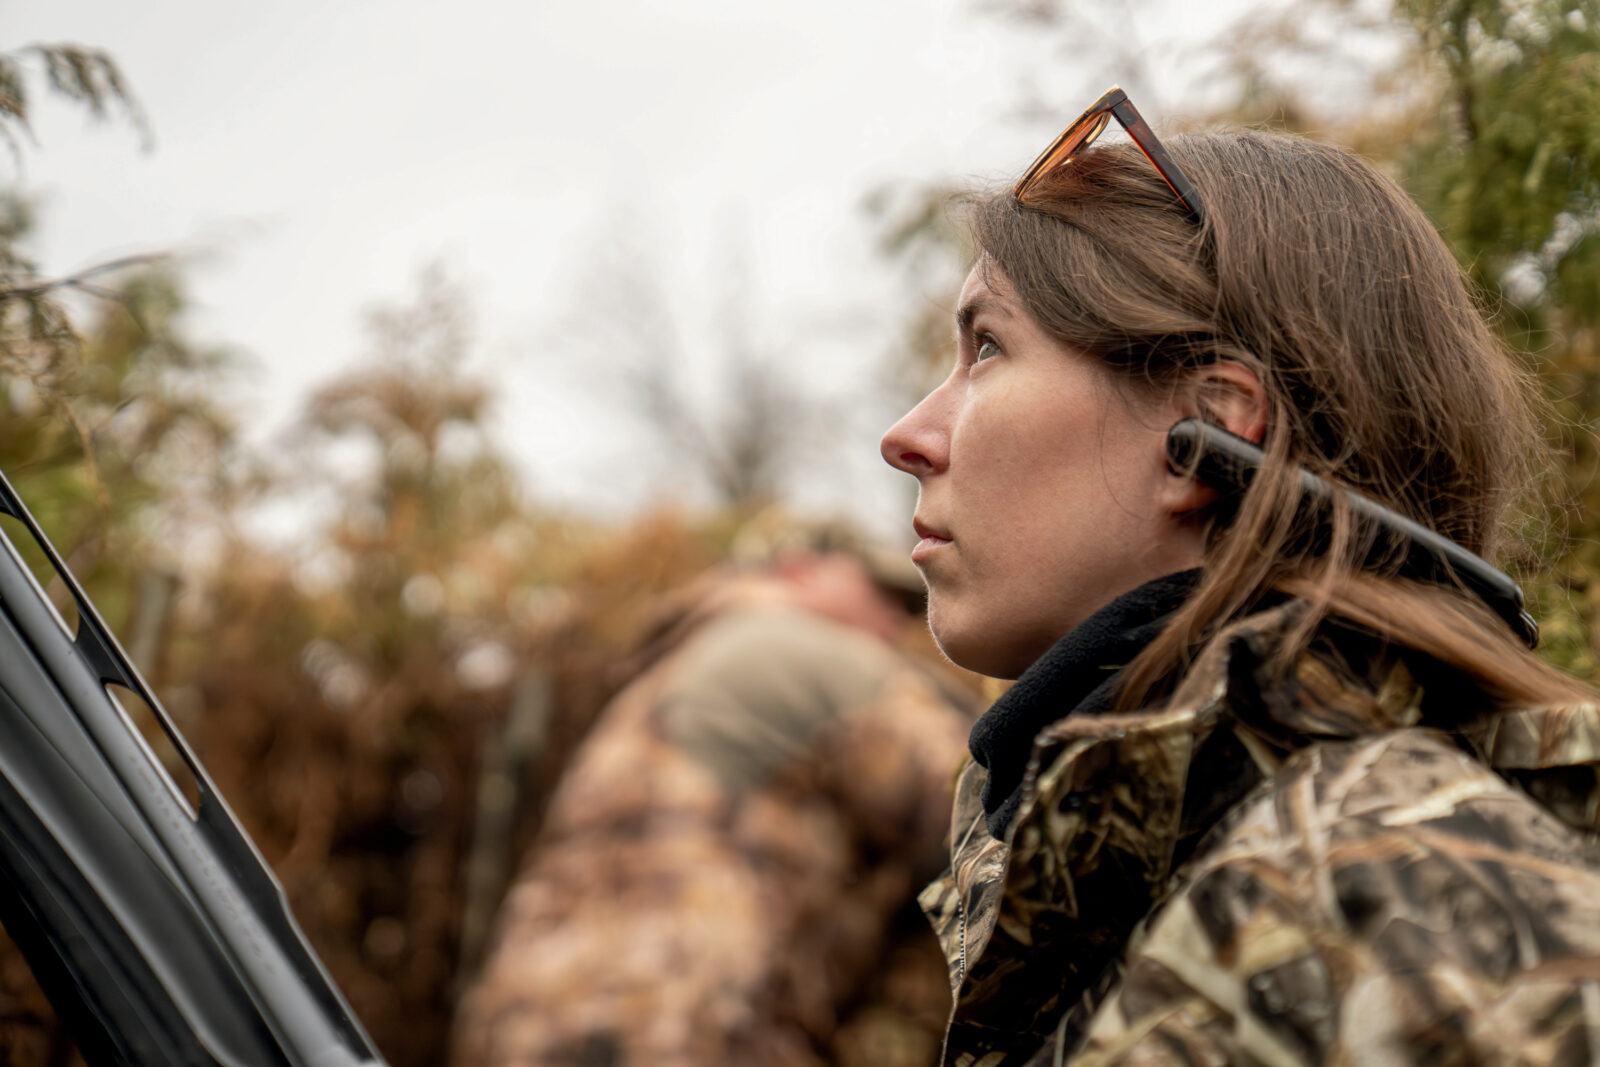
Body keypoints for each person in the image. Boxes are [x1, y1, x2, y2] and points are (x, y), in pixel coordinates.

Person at [879, 86, 1600, 1065]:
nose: (908, 437)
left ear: (1208, 430)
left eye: (989, 346)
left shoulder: (1394, 889)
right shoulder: (1151, 863)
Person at [450, 535, 978, 1067]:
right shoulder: (811, 649)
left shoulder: (666, 670)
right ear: (800, 570)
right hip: (685, 1031)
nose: (898, 627)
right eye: (881, 597)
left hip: (518, 1026)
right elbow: (982, 792)